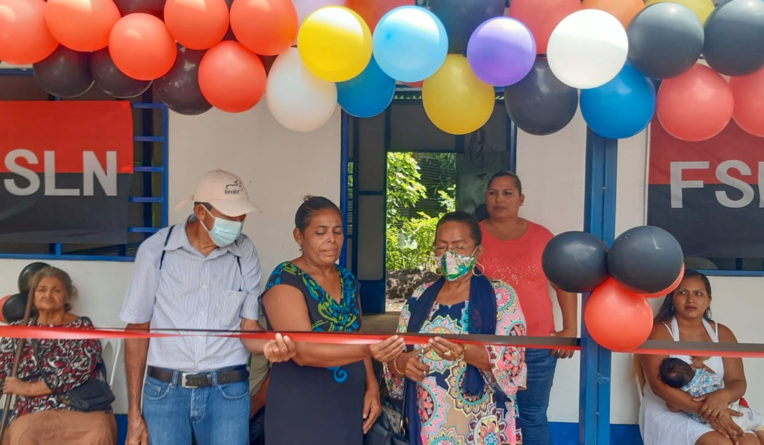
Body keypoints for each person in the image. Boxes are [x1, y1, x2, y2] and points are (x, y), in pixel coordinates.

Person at [120, 169, 266, 445]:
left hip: (227, 393)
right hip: (165, 392)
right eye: (229, 215)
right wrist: (133, 415)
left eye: (241, 216)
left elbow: (249, 329)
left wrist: (271, 346)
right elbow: (136, 330)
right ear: (201, 212)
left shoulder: (244, 253)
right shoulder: (157, 252)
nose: (238, 222)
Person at [260, 196, 404, 445]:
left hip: (348, 403)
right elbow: (303, 353)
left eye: (337, 232)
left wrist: (372, 385)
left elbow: (357, 334)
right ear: (298, 236)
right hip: (301, 406)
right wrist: (370, 350)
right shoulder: (285, 279)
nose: (332, 240)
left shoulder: (347, 279)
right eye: (320, 232)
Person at [385, 211, 527, 445]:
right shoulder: (420, 297)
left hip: (483, 423)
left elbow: (513, 363)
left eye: (459, 247)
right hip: (428, 420)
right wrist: (401, 363)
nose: (449, 255)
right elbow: (395, 354)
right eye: (441, 247)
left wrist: (463, 352)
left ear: (477, 251)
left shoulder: (501, 297)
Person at [478, 170, 578, 445]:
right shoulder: (474, 237)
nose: (499, 199)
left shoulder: (542, 237)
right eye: (493, 193)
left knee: (533, 416)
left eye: (507, 193)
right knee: (486, 413)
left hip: (536, 346)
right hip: (486, 346)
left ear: (521, 199)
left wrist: (569, 329)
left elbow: (564, 284)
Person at [639, 269, 762, 445]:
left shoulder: (723, 334)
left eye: (698, 293)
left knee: (751, 442)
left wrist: (723, 396)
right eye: (682, 293)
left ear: (708, 300)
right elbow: (659, 386)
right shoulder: (659, 332)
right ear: (672, 299)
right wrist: (706, 412)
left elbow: (738, 382)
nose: (691, 299)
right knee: (720, 443)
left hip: (717, 409)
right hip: (670, 412)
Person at [0, 266, 116, 445]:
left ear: (67, 295)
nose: (48, 295)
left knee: (98, 431)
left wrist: (28, 389)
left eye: (56, 290)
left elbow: (78, 370)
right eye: (41, 289)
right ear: (32, 295)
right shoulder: (19, 331)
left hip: (81, 408)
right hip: (33, 411)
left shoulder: (82, 328)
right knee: (24, 435)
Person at [659, 358, 764, 445]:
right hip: (735, 412)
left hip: (711, 424)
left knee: (733, 438)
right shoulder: (705, 376)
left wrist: (673, 404)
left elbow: (673, 407)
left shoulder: (683, 393)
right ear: (691, 366)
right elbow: (718, 378)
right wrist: (702, 365)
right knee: (758, 421)